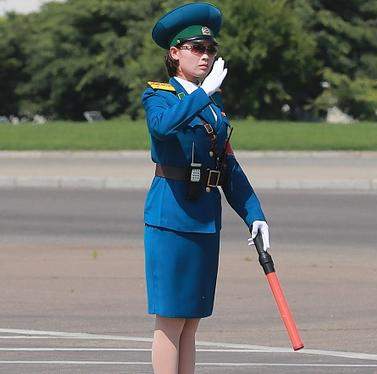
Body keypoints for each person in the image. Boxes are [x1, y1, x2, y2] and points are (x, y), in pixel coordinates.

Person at [141, 3, 270, 373]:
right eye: (197, 48)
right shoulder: (159, 95)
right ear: (174, 52)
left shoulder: (213, 105)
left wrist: (254, 214)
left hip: (204, 217)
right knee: (171, 319)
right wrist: (201, 95)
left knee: (192, 321)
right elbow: (163, 128)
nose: (206, 56)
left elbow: (227, 165)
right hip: (170, 217)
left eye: (211, 50)